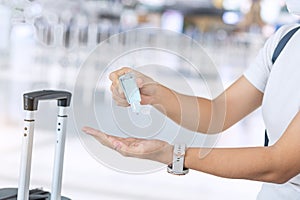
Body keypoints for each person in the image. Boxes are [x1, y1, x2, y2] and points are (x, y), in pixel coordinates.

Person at [82, 0, 300, 199]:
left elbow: (278, 165)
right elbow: (218, 113)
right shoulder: (285, 41)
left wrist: (172, 154)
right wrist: (153, 93)